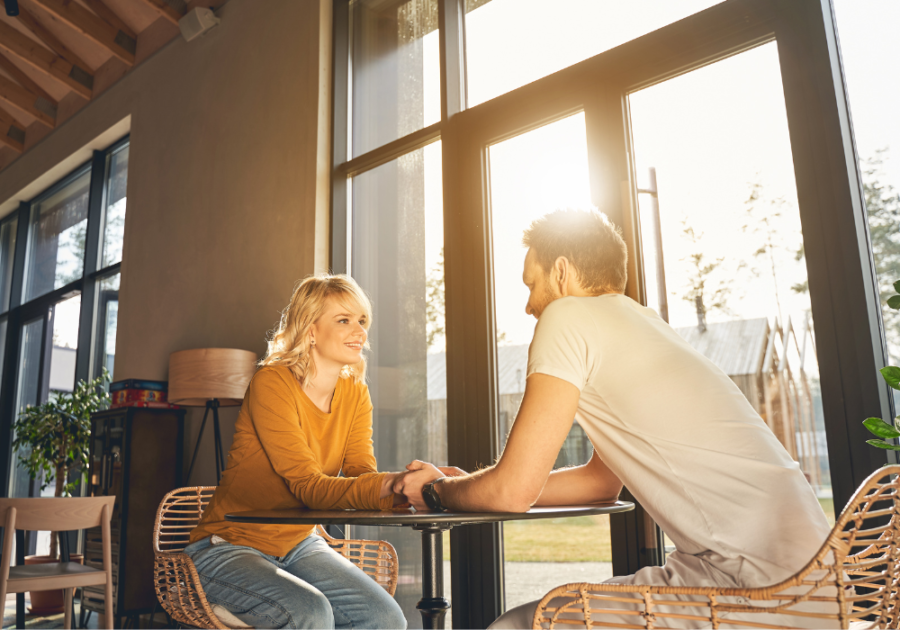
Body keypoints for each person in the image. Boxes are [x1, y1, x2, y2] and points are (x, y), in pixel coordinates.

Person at [394, 209, 834, 629]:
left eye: (532, 284)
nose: (529, 305)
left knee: (516, 625)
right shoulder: (644, 324)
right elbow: (599, 483)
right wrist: (473, 485)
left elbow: (512, 492)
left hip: (754, 590)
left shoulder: (566, 316)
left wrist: (435, 492)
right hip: (817, 588)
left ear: (562, 271)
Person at [185, 275, 410, 630]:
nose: (360, 331)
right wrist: (392, 486)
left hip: (299, 542)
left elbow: (360, 475)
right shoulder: (272, 383)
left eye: (362, 320)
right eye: (344, 320)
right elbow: (307, 485)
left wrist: (405, 488)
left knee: (385, 618)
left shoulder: (355, 393)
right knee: (310, 612)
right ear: (310, 330)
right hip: (227, 546)